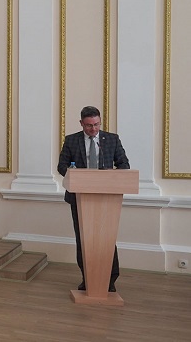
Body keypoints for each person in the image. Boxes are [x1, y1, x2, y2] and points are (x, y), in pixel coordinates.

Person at [57, 105, 130, 293]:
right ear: (81, 123)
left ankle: (110, 280)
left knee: (106, 239)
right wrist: (75, 175)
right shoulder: (71, 140)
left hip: (106, 199)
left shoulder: (112, 139)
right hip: (79, 198)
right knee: (83, 240)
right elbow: (62, 166)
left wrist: (111, 175)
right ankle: (87, 278)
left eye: (96, 124)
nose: (93, 129)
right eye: (89, 125)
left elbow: (124, 164)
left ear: (100, 122)